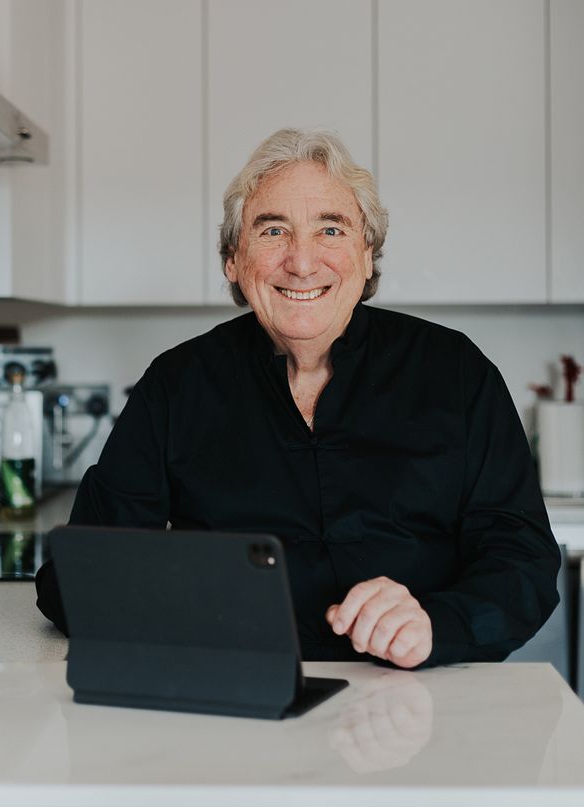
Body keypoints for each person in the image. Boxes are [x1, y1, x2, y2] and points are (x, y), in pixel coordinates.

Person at [36, 128, 560, 669]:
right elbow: (72, 580)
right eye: (273, 232)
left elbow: (524, 561)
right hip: (238, 702)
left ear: (366, 253)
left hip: (428, 696)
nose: (302, 262)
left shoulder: (457, 372)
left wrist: (437, 624)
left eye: (331, 230)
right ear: (233, 261)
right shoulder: (176, 385)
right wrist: (198, 605)